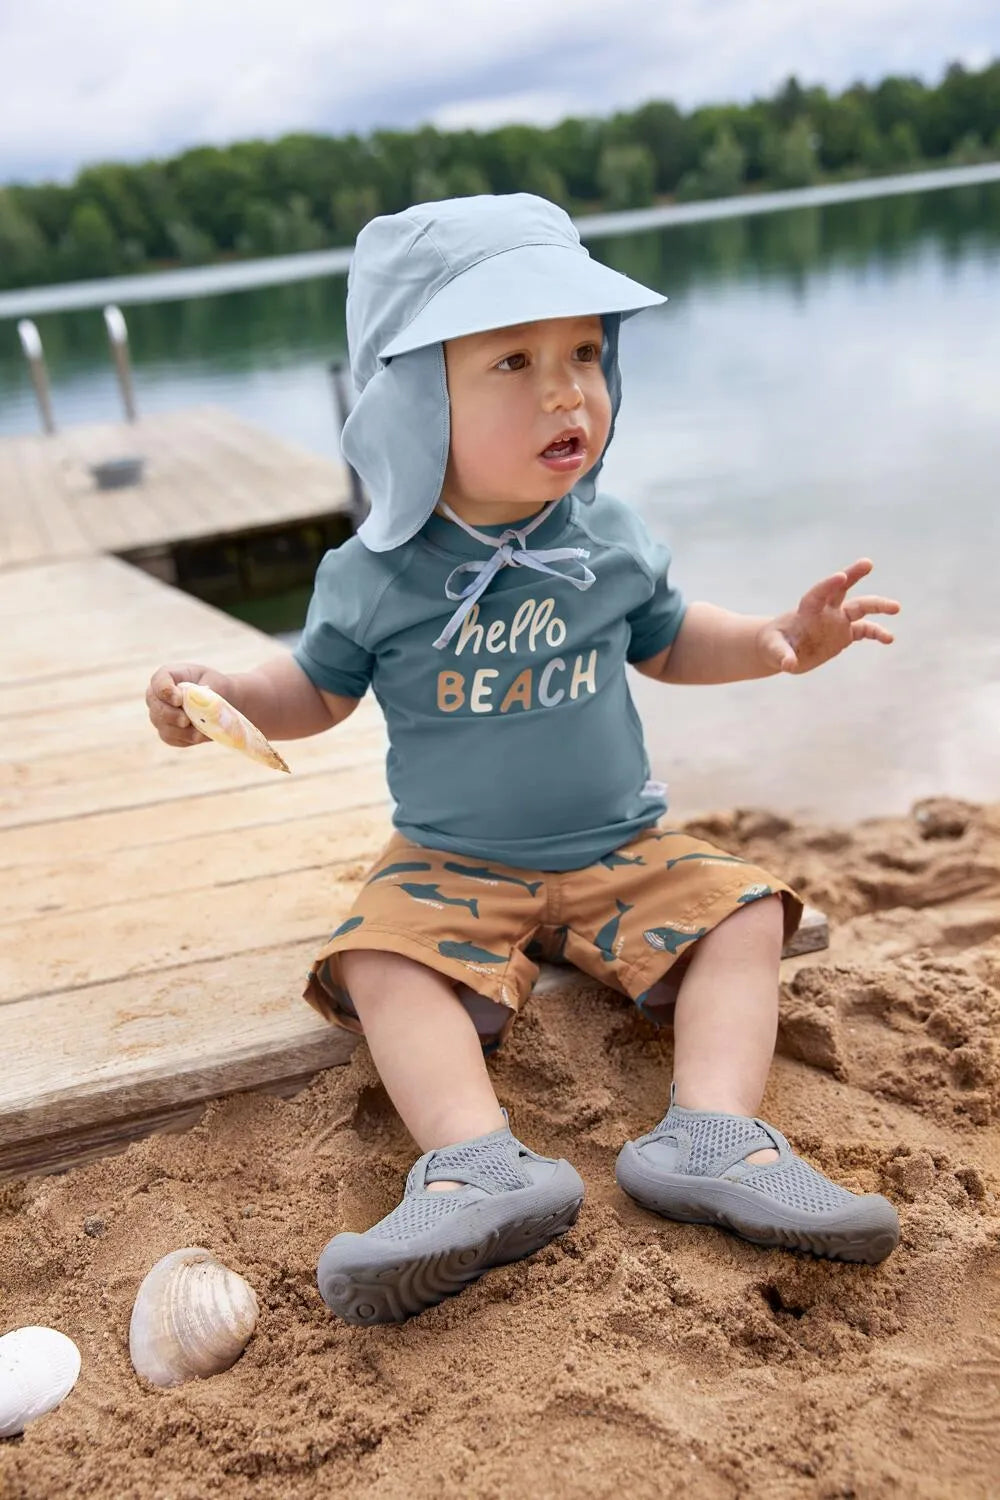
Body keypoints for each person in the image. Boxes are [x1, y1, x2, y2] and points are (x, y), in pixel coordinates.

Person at [147, 193, 903, 1327]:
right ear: (414, 403)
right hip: (452, 858)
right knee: (378, 959)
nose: (567, 391)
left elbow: (669, 637)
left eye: (586, 355)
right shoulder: (375, 572)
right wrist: (227, 692)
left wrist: (775, 644)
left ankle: (714, 1136)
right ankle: (474, 1166)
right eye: (513, 360)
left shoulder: (605, 537)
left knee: (747, 910)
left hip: (620, 843)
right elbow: (314, 688)